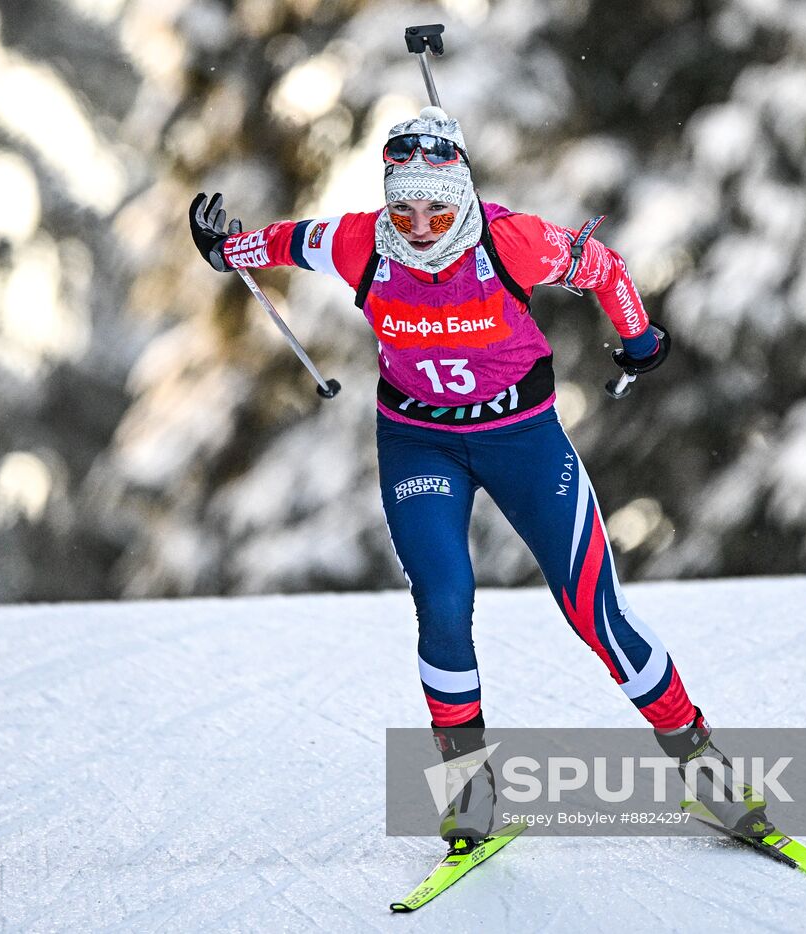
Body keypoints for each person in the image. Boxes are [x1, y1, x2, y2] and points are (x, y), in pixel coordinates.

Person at [189, 106, 769, 853]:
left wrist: (639, 340)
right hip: (420, 444)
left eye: (438, 207)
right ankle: (468, 789)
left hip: (521, 439)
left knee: (596, 612)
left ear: (462, 192)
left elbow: (605, 268)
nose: (422, 226)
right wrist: (224, 248)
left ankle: (702, 763)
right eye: (405, 207)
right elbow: (286, 241)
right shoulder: (361, 240)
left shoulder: (512, 240)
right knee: (443, 598)